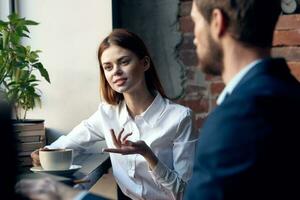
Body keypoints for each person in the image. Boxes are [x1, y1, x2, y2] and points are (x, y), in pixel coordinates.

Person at [28, 29, 197, 200]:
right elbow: (71, 143)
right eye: (108, 67)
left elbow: (186, 194)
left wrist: (148, 155)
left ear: (144, 63)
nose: (115, 71)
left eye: (124, 62)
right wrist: (45, 153)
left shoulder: (180, 118)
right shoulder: (107, 113)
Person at [184, 0, 300, 199]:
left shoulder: (238, 118)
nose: (194, 37)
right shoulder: (289, 91)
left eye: (196, 21)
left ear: (216, 22)